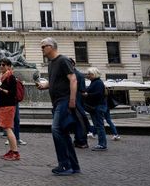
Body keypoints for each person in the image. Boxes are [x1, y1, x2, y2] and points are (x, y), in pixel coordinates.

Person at [36, 37, 81, 176]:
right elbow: (55, 81)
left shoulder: (63, 60)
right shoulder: (51, 63)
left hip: (64, 100)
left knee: (56, 130)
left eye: (43, 47)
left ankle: (64, 165)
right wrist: (45, 85)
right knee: (63, 133)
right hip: (56, 102)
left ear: (51, 47)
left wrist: (72, 100)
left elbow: (73, 79)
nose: (41, 49)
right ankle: (73, 166)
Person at [0, 58, 19, 160]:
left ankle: (15, 152)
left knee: (8, 128)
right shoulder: (2, 78)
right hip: (3, 105)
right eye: (0, 64)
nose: (1, 66)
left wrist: (0, 89)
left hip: (8, 106)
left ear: (8, 66)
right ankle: (12, 150)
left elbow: (12, 93)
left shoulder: (11, 77)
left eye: (3, 65)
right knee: (6, 128)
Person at [82, 67, 108, 151]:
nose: (88, 75)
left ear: (94, 74)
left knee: (99, 126)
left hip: (98, 107)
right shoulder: (94, 82)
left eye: (89, 74)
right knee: (98, 126)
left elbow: (98, 94)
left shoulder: (98, 83)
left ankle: (102, 144)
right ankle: (101, 143)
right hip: (96, 107)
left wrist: (87, 95)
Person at [69, 58, 90, 149]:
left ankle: (81, 141)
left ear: (72, 65)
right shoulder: (80, 75)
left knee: (79, 122)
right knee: (78, 122)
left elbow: (82, 91)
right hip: (77, 102)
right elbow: (82, 90)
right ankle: (79, 140)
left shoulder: (76, 75)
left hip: (75, 102)